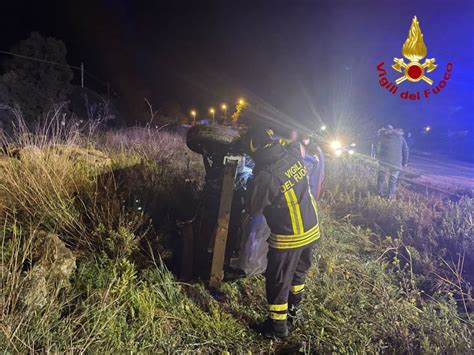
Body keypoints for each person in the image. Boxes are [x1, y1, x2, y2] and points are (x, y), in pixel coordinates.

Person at [243, 126, 320, 338]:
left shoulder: (266, 177)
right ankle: (293, 312)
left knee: (278, 280)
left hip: (289, 238)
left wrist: (250, 184)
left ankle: (277, 328)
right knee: (299, 274)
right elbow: (298, 146)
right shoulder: (292, 155)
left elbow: (251, 207)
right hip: (312, 230)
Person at [376, 125, 409, 198]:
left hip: (384, 161)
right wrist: (404, 162)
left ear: (384, 129)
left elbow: (378, 148)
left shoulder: (382, 136)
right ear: (393, 129)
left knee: (381, 178)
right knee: (392, 180)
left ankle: (379, 194)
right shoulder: (401, 137)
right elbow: (405, 150)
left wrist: (378, 157)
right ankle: (390, 197)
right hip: (396, 163)